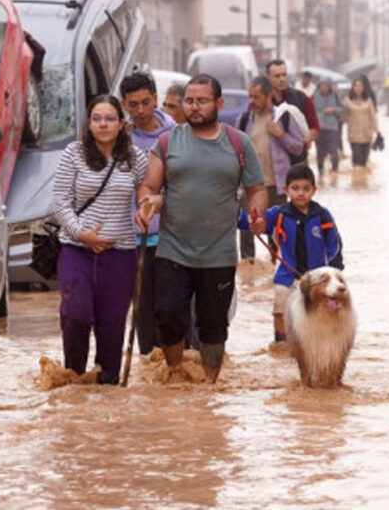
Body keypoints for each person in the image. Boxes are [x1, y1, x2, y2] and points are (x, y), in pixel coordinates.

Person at [137, 74, 269, 383]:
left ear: (219, 104)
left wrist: (257, 213)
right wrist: (148, 203)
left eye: (202, 101)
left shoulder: (238, 143)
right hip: (173, 250)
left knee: (213, 327)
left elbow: (258, 189)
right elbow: (149, 186)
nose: (194, 108)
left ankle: (210, 384)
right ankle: (174, 374)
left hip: (219, 253)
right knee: (168, 317)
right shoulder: (168, 141)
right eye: (190, 101)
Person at [51, 94, 149, 384]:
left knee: (113, 325)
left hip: (120, 255)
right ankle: (74, 379)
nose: (103, 124)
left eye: (109, 119)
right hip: (76, 250)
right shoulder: (74, 153)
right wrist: (81, 233)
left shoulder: (136, 158)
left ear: (121, 124)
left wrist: (145, 209)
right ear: (89, 123)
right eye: (97, 119)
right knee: (75, 314)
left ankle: (107, 388)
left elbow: (149, 191)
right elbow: (60, 202)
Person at [239, 164, 343, 342]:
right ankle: (281, 345)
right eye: (295, 188)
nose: (301, 193)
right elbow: (254, 223)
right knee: (280, 311)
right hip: (287, 276)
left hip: (317, 279)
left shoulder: (323, 216)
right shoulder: (278, 215)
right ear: (286, 190)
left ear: (314, 190)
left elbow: (334, 243)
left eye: (306, 189)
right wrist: (248, 219)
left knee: (320, 314)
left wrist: (333, 271)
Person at [119, 72, 176, 355]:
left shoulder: (175, 135)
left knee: (171, 307)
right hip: (134, 237)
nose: (140, 110)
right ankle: (148, 365)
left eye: (145, 102)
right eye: (133, 105)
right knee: (142, 310)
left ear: (155, 99)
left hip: (171, 237)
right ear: (124, 105)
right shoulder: (120, 139)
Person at [236, 75, 305, 261]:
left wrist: (281, 135)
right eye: (250, 96)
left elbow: (298, 147)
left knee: (277, 230)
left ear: (269, 96)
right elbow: (235, 151)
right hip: (250, 184)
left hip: (277, 184)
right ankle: (248, 268)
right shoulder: (244, 119)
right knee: (246, 229)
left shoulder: (283, 117)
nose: (252, 101)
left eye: (256, 96)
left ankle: (276, 266)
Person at [266, 60, 319, 164]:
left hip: (297, 160)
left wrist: (305, 141)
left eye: (284, 75)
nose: (281, 79)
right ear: (268, 77)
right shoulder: (263, 101)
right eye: (277, 76)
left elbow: (315, 127)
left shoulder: (301, 99)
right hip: (271, 162)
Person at [345, 77, 379, 185]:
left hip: (367, 135)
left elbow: (373, 117)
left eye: (360, 86)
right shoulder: (347, 101)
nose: (358, 88)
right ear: (353, 87)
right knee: (357, 161)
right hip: (354, 136)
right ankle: (356, 185)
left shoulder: (368, 101)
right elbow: (343, 117)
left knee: (364, 163)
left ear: (364, 88)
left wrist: (378, 132)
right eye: (356, 86)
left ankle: (362, 186)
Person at [312, 78, 344, 178]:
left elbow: (343, 109)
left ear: (330, 86)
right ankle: (320, 173)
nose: (324, 87)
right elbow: (309, 110)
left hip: (332, 128)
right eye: (322, 85)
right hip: (319, 128)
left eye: (326, 85)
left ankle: (335, 172)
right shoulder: (314, 96)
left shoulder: (335, 96)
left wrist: (334, 109)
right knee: (320, 153)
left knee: (333, 151)